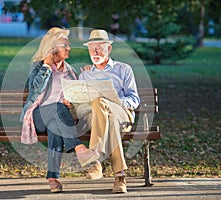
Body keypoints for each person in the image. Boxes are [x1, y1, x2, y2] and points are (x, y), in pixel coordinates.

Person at [20, 27, 100, 193]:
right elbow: (35, 90)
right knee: (56, 109)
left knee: (56, 126)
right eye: (65, 45)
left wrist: (72, 103)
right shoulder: (38, 66)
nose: (69, 48)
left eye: (68, 45)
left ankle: (53, 177)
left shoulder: (70, 70)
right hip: (38, 115)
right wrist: (47, 67)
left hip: (61, 118)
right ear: (53, 48)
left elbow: (77, 96)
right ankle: (78, 148)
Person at [77, 29, 140, 193]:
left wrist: (117, 101)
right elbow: (81, 104)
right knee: (106, 116)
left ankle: (96, 161)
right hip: (97, 118)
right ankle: (120, 176)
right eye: (92, 49)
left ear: (109, 49)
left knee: (104, 106)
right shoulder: (85, 75)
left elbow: (135, 100)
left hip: (122, 114)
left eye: (99, 48)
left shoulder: (123, 69)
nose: (95, 52)